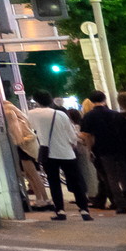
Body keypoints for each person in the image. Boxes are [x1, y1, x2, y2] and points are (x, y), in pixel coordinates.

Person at [25, 92, 91, 220]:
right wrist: (73, 144)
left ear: (36, 101)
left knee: (54, 182)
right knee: (75, 181)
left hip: (48, 153)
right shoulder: (60, 114)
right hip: (67, 152)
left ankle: (60, 211)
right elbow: (71, 134)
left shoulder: (32, 114)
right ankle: (84, 210)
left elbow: (32, 128)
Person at [3, 95, 49, 209]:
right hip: (25, 150)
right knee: (30, 176)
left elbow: (31, 135)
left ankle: (42, 199)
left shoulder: (19, 123)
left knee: (33, 176)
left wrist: (20, 141)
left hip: (26, 151)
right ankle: (42, 198)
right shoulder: (20, 121)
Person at [75, 90, 118, 212]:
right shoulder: (114, 114)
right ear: (104, 99)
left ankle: (115, 201)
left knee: (106, 176)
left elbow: (87, 135)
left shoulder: (89, 116)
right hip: (116, 148)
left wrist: (89, 150)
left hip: (99, 149)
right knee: (110, 176)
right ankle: (105, 200)